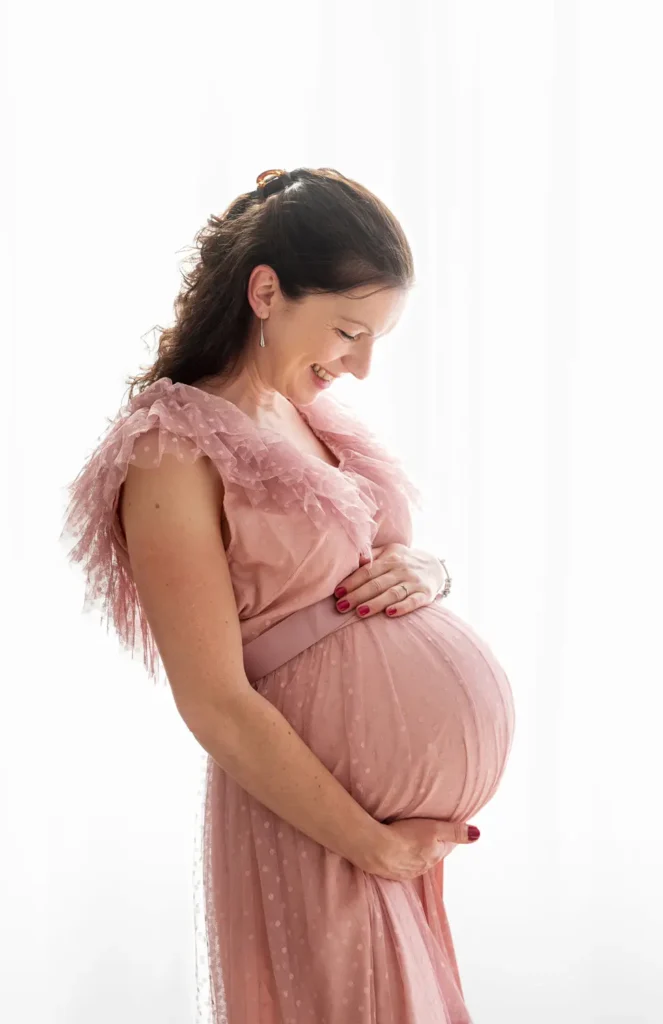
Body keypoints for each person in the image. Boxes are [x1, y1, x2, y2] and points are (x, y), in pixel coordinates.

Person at [60, 166, 516, 1024]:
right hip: (317, 826)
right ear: (266, 291)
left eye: (376, 340)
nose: (362, 367)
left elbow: (370, 563)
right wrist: (370, 845)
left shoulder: (307, 419)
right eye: (348, 332)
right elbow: (214, 702)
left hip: (378, 839)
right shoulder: (170, 451)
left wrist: (430, 573)